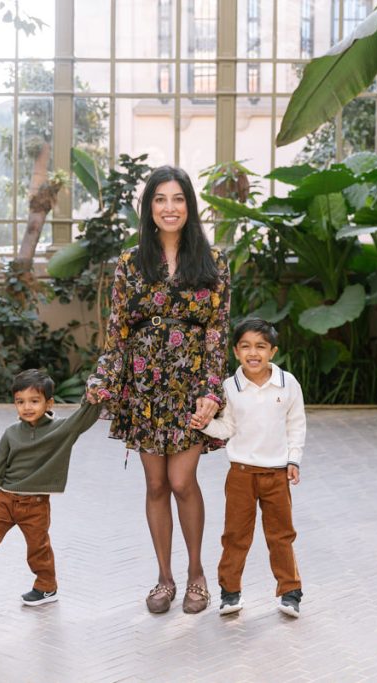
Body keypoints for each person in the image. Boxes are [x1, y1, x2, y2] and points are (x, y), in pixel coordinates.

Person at [86, 165, 230, 615]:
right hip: (143, 388)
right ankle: (164, 578)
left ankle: (196, 575)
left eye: (178, 199)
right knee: (154, 485)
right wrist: (103, 379)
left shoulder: (213, 262)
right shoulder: (131, 263)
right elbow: (118, 332)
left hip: (190, 390)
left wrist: (211, 391)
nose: (170, 208)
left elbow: (217, 333)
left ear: (190, 206)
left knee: (181, 481)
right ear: (149, 208)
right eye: (160, 200)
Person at [0, 369, 102, 606]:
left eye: (34, 401)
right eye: (20, 402)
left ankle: (46, 588)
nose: (27, 407)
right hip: (5, 499)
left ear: (49, 403)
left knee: (38, 547)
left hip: (35, 504)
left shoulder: (60, 430)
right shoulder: (11, 433)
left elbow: (83, 418)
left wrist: (93, 400)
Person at [190, 318, 307, 618]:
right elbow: (227, 426)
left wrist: (293, 460)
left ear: (273, 351)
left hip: (277, 474)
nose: (253, 353)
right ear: (235, 351)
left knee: (281, 534)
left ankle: (290, 592)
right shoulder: (230, 387)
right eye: (245, 347)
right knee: (235, 535)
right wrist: (205, 426)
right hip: (241, 474)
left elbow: (296, 425)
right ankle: (230, 593)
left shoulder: (288, 383)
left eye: (260, 347)